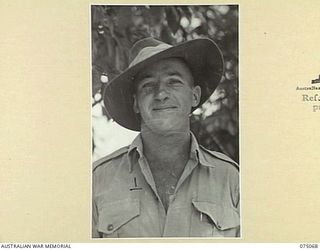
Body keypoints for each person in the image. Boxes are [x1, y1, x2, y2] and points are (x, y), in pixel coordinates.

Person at [92, 37, 240, 238]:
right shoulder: (98, 180)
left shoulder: (231, 180)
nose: (161, 94)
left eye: (174, 82)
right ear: (136, 103)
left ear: (194, 96)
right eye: (148, 85)